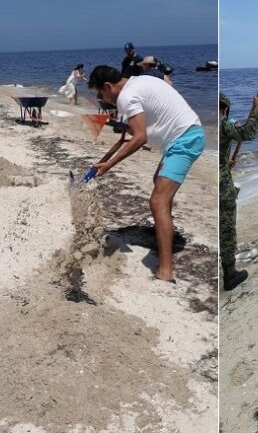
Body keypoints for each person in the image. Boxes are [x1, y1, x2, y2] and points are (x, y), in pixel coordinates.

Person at [87, 66, 205, 282]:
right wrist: (105, 160)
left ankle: (166, 270)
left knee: (158, 202)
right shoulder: (137, 82)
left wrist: (109, 166)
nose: (102, 99)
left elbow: (140, 138)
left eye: (100, 94)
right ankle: (162, 231)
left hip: (185, 140)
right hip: (184, 135)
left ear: (108, 86)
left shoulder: (126, 96)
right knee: (158, 185)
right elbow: (133, 134)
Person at [220, 92, 258, 291]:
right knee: (227, 229)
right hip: (221, 186)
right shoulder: (224, 122)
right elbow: (248, 132)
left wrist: (224, 162)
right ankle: (229, 274)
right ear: (226, 108)